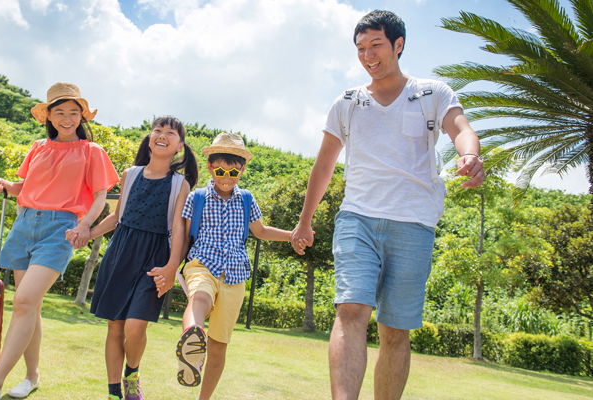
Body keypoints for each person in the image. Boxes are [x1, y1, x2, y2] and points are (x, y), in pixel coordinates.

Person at [290, 10, 485, 400]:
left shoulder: (432, 93)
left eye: (375, 45)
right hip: (357, 219)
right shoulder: (346, 102)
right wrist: (304, 221)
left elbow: (461, 129)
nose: (367, 55)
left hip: (414, 224)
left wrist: (470, 155)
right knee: (350, 310)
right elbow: (325, 163)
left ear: (398, 44)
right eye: (361, 48)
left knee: (395, 330)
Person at [0, 82, 119, 400]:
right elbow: (25, 186)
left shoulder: (92, 152)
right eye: (60, 112)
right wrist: (7, 185)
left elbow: (101, 197)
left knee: (23, 302)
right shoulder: (38, 147)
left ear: (82, 117)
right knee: (31, 307)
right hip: (24, 225)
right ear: (49, 116)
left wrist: (86, 224)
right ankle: (31, 378)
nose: (67, 118)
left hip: (60, 228)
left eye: (74, 112)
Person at [80, 116, 198, 400]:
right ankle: (113, 393)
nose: (162, 135)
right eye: (157, 130)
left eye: (170, 133)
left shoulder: (180, 184)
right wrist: (88, 232)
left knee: (134, 327)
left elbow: (180, 230)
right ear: (149, 138)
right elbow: (117, 217)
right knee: (114, 326)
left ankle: (131, 373)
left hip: (155, 259)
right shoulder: (130, 174)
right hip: (120, 253)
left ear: (179, 146)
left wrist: (171, 267)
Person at [172, 132, 293, 400]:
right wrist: (171, 268)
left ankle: (203, 397)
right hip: (202, 263)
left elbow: (260, 231)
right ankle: (192, 336)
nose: (226, 178)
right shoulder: (198, 197)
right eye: (221, 171)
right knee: (199, 298)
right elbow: (184, 237)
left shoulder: (247, 199)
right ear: (210, 167)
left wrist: (291, 235)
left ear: (242, 169)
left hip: (235, 274)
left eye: (233, 173)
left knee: (218, 345)